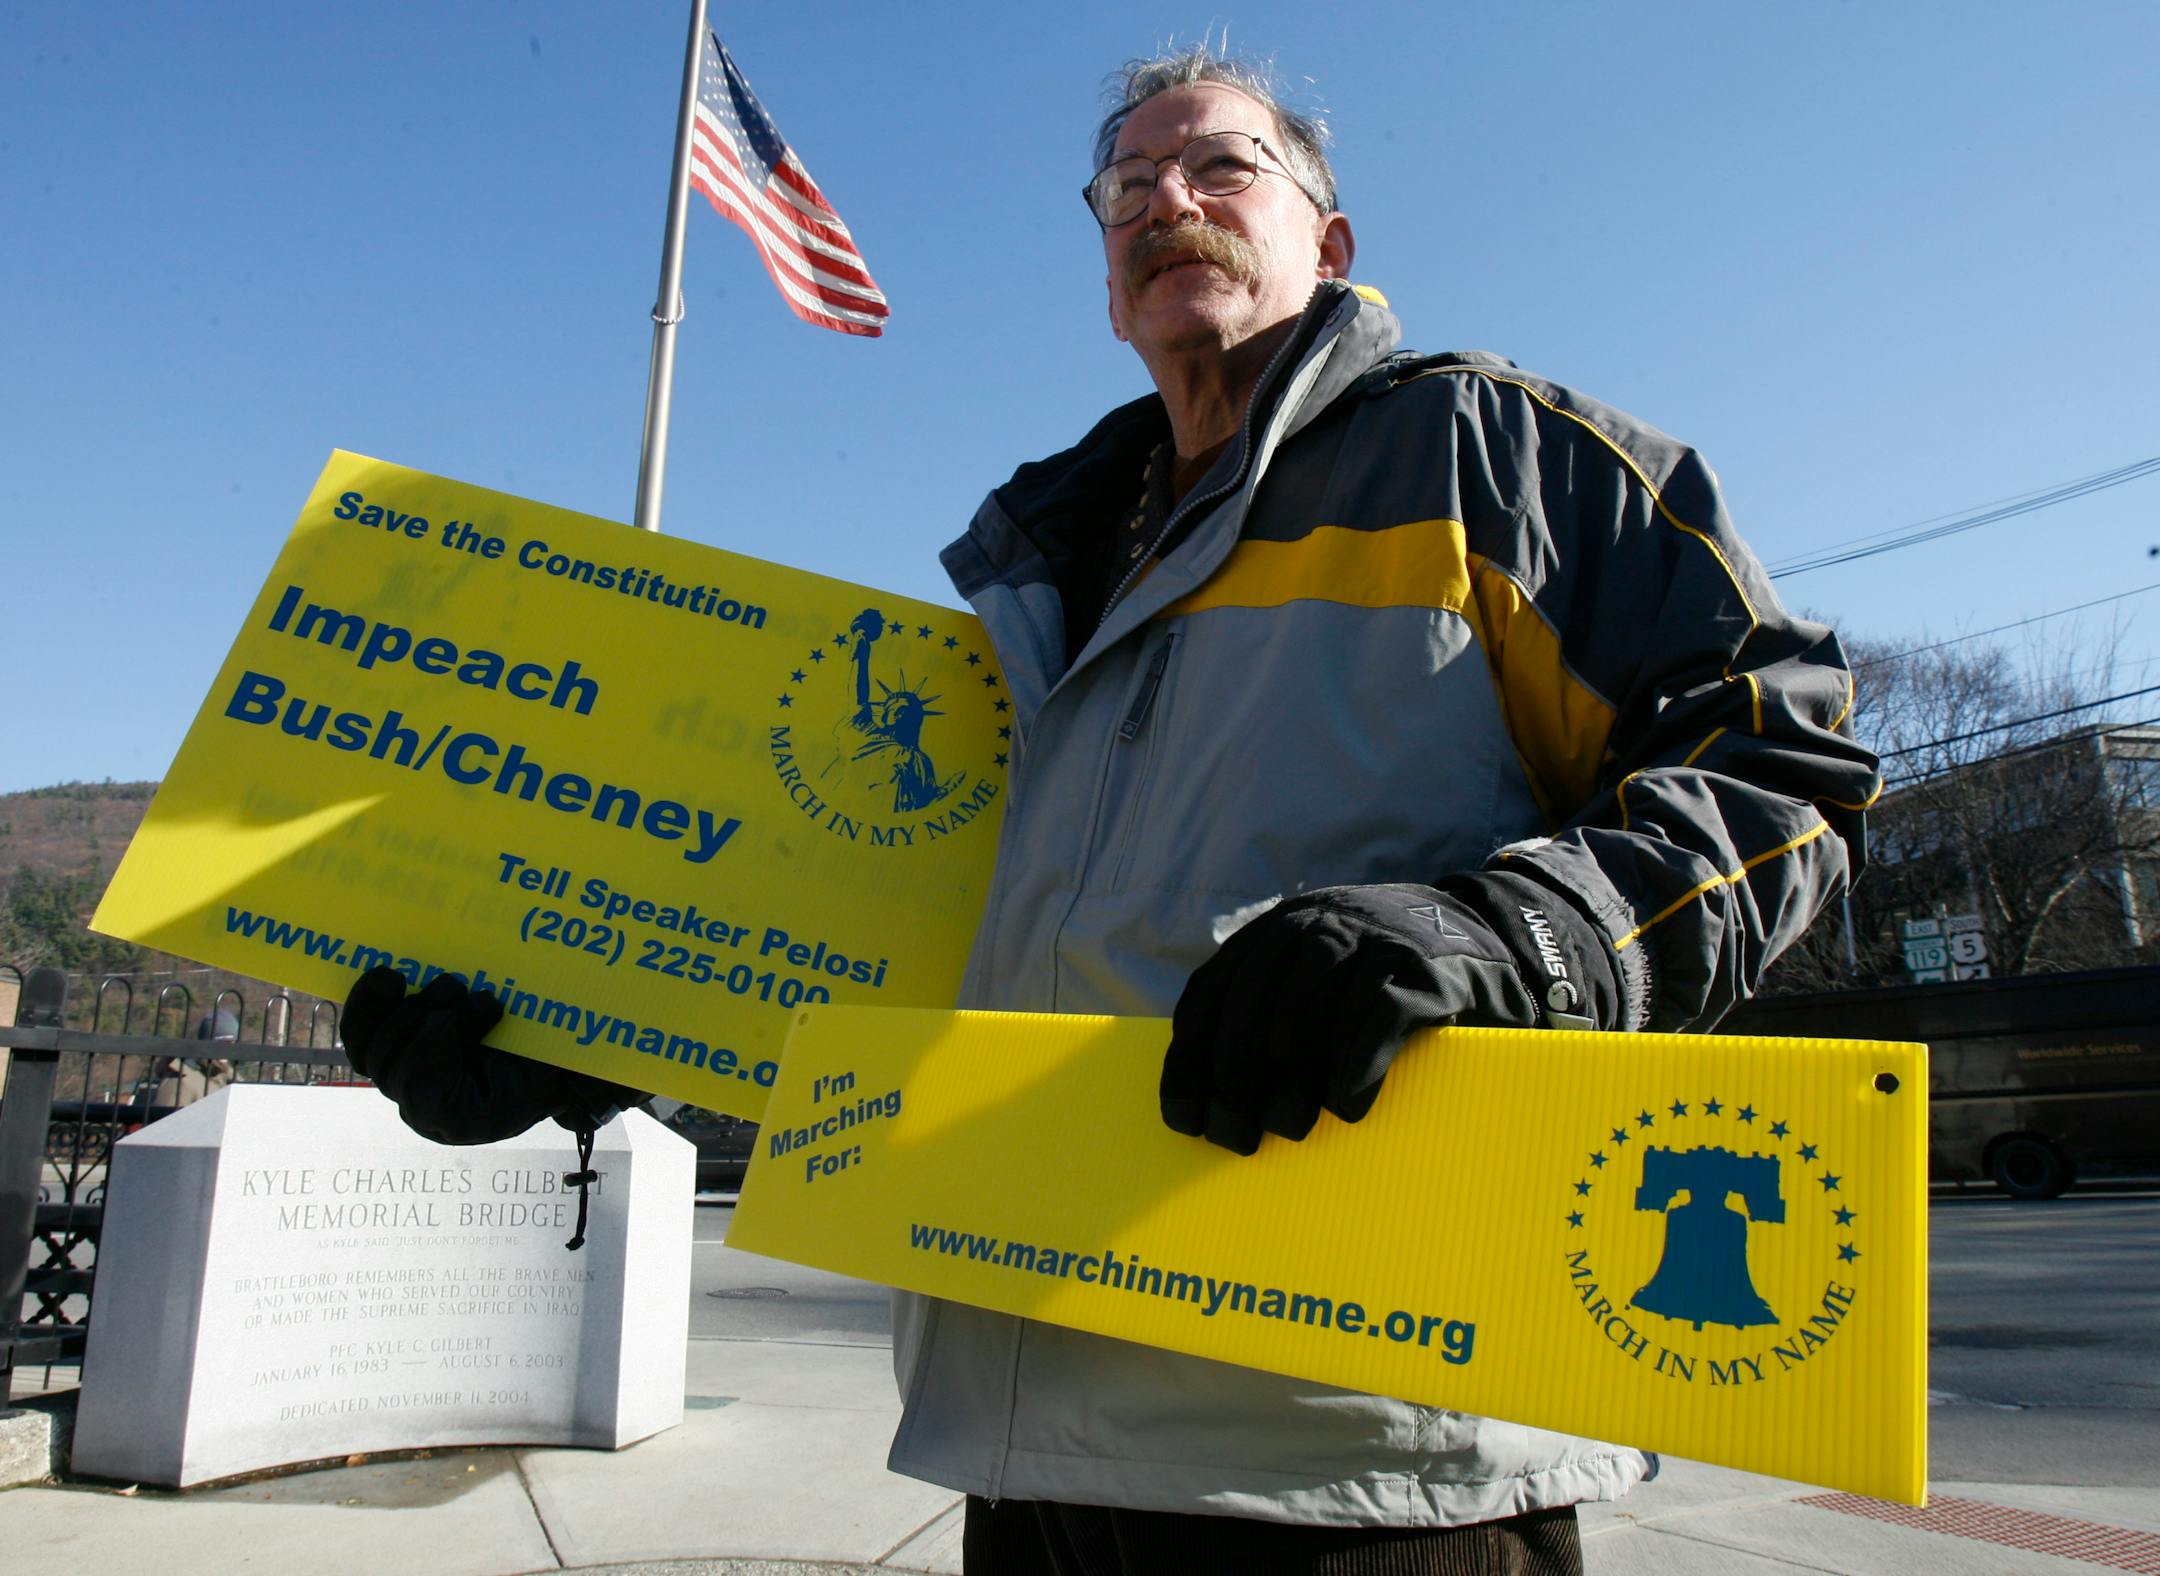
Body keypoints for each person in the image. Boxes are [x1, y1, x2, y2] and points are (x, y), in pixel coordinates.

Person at [342, 43, 1879, 1575]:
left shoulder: (1494, 458)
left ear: (1327, 242)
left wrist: (1503, 932)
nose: (1169, 202)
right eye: (1128, 186)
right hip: (1021, 1447)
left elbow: (1782, 769)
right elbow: (895, 954)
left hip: (1369, 1461)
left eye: (1221, 167)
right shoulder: (1023, 590)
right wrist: (593, 1034)